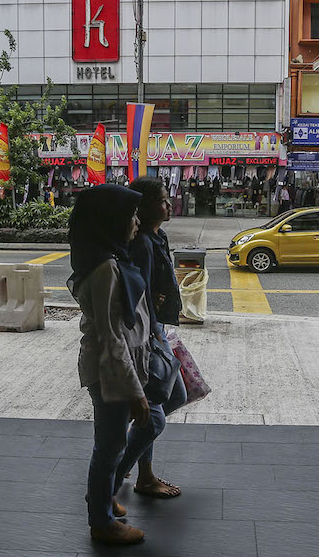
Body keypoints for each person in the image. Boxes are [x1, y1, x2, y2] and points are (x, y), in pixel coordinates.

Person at [67, 185, 150, 546]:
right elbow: (111, 336)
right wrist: (135, 392)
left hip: (114, 366)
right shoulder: (105, 268)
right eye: (131, 215)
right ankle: (100, 521)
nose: (136, 222)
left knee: (112, 442)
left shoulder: (110, 257)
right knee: (110, 445)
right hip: (108, 370)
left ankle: (102, 502)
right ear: (111, 221)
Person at [124, 177, 187, 499]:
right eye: (163, 200)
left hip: (157, 329)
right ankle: (122, 471)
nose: (168, 204)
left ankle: (137, 465)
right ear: (145, 207)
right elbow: (141, 296)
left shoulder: (157, 237)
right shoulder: (144, 244)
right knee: (153, 414)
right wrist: (151, 338)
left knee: (175, 396)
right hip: (147, 334)